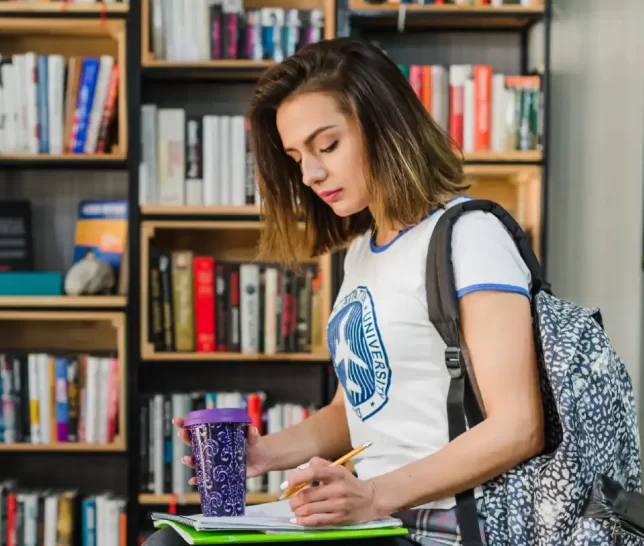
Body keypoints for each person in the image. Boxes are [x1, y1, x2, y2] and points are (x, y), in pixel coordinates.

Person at [170, 38, 546, 546]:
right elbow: (355, 411)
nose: (310, 174)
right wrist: (262, 455)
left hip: (447, 526)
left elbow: (518, 427)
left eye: (327, 146)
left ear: (386, 126)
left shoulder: (470, 236)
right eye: (296, 156)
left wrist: (371, 496)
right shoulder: (364, 252)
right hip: (379, 520)